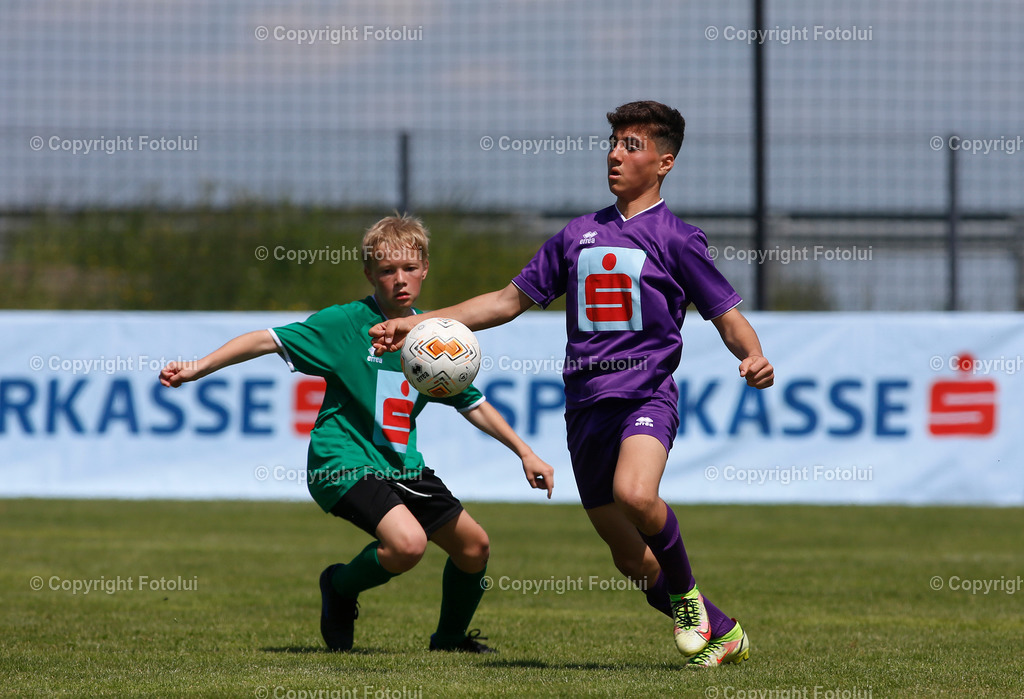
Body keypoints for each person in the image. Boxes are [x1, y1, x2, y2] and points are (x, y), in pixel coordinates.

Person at [371, 101, 774, 668]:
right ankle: (725, 629)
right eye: (612, 142)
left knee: (638, 495)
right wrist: (420, 320)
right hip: (584, 410)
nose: (614, 154)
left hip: (644, 397)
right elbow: (506, 303)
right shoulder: (577, 235)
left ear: (664, 163)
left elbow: (728, 316)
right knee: (631, 562)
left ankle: (687, 601)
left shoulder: (678, 240)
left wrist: (753, 355)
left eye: (631, 145)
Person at [159, 215, 555, 654]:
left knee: (474, 547)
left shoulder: (432, 336)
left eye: (408, 268)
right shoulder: (346, 324)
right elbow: (265, 339)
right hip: (341, 462)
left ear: (425, 268)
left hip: (401, 466)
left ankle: (448, 640)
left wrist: (525, 452)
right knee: (407, 545)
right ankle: (340, 587)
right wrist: (197, 367)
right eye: (387, 271)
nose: (399, 280)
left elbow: (471, 402)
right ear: (369, 274)